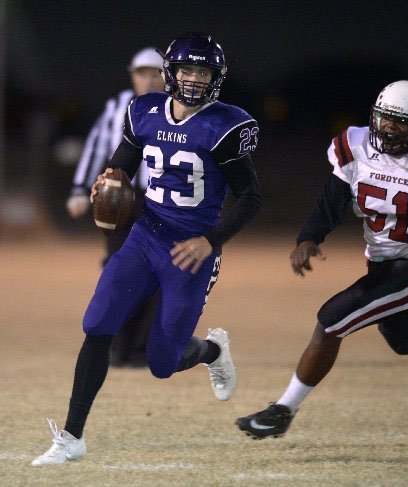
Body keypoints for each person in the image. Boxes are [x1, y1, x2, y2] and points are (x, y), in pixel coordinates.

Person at [32, 32, 261, 466]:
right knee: (97, 325)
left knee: (161, 362)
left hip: (189, 251)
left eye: (203, 71)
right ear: (170, 73)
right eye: (187, 70)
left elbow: (251, 198)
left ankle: (212, 351)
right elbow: (124, 160)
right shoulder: (145, 111)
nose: (194, 79)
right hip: (144, 236)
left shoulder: (225, 126)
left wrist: (210, 241)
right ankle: (72, 437)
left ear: (216, 77)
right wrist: (110, 177)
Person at [236, 80, 408, 439]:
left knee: (332, 320)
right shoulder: (356, 147)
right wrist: (309, 237)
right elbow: (332, 200)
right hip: (382, 262)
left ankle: (282, 411)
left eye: (401, 123)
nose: (389, 129)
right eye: (384, 119)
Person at [66, 47, 165, 367]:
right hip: (119, 201)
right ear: (132, 75)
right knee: (118, 271)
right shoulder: (115, 107)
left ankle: (140, 349)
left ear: (166, 76)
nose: (148, 80)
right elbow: (96, 148)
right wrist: (80, 189)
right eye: (142, 73)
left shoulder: (178, 108)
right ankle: (116, 345)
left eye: (155, 73)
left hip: (162, 202)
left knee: (159, 273)